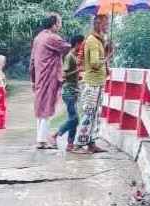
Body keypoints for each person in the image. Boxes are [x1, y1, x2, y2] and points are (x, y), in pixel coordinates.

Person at [28, 12, 72, 149]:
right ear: (54, 24)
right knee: (47, 108)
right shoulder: (52, 37)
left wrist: (33, 79)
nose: (60, 25)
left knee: (40, 108)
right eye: (59, 23)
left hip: (40, 76)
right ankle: (42, 140)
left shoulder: (38, 38)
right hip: (50, 76)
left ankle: (40, 138)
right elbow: (67, 47)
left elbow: (32, 61)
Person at [73, 14, 111, 154]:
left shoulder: (99, 41)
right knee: (89, 114)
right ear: (98, 24)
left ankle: (91, 142)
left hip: (98, 82)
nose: (107, 26)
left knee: (96, 114)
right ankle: (78, 144)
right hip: (92, 83)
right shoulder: (93, 41)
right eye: (105, 24)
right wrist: (108, 56)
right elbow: (95, 64)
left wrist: (106, 51)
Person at [54, 35, 84, 151]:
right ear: (77, 44)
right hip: (68, 92)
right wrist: (77, 70)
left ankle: (70, 144)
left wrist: (77, 76)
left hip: (74, 91)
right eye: (82, 44)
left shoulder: (75, 57)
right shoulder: (70, 57)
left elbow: (72, 74)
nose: (83, 46)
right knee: (75, 119)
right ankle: (55, 134)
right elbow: (64, 75)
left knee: (74, 119)